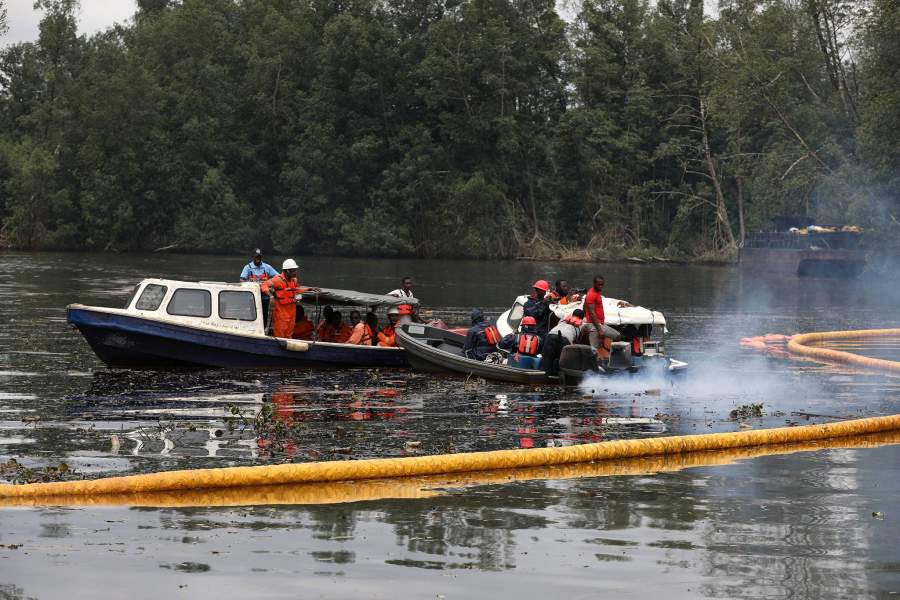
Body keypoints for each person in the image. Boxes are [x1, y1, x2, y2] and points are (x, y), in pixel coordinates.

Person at [260, 259, 319, 338]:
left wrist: (309, 289)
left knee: (289, 334)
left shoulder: (294, 280)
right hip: (281, 313)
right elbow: (264, 285)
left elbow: (297, 290)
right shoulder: (277, 280)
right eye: (294, 270)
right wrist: (271, 296)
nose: (295, 272)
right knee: (280, 335)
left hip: (291, 312)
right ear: (287, 271)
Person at [541, 309, 584, 376]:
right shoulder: (580, 326)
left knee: (547, 359)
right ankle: (561, 376)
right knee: (564, 361)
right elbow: (577, 341)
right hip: (564, 339)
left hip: (550, 335)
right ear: (582, 318)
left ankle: (544, 376)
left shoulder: (563, 320)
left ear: (573, 315)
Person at [583, 275, 606, 349]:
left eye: (602, 285)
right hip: (595, 325)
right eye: (599, 285)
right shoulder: (591, 294)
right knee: (594, 349)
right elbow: (592, 313)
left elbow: (584, 305)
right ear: (594, 284)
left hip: (600, 323)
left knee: (618, 335)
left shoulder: (597, 292)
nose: (601, 287)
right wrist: (599, 329)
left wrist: (584, 315)